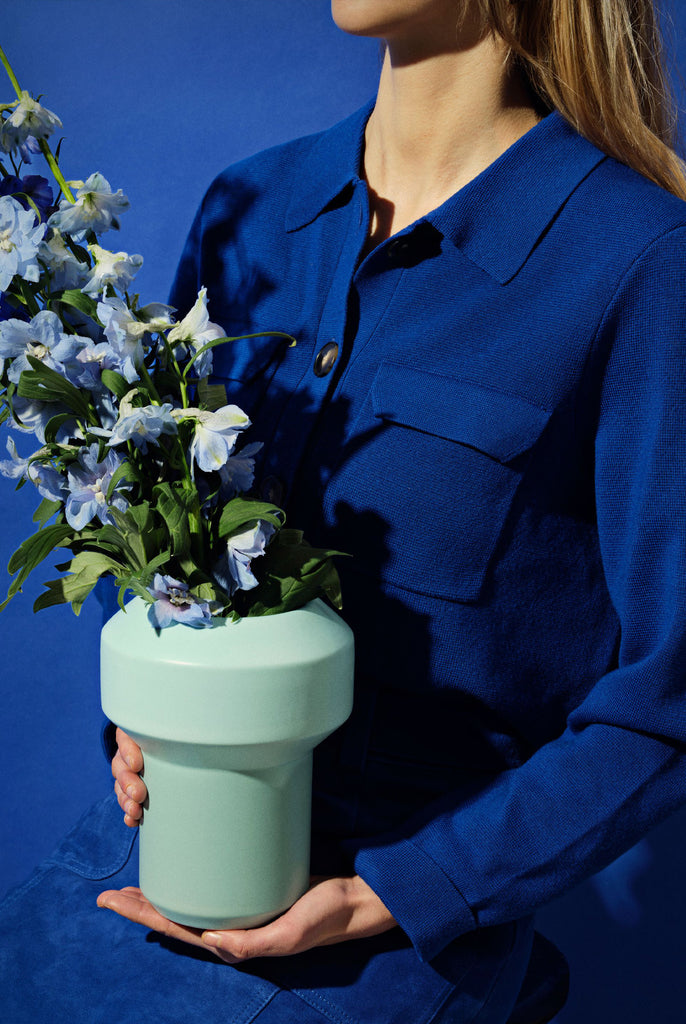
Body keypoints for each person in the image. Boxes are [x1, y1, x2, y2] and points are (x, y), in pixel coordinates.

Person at [4, 1, 686, 1022]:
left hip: (382, 944)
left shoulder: (641, 261)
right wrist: (150, 711)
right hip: (132, 868)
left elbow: (672, 691)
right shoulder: (250, 207)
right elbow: (148, 507)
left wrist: (400, 890)